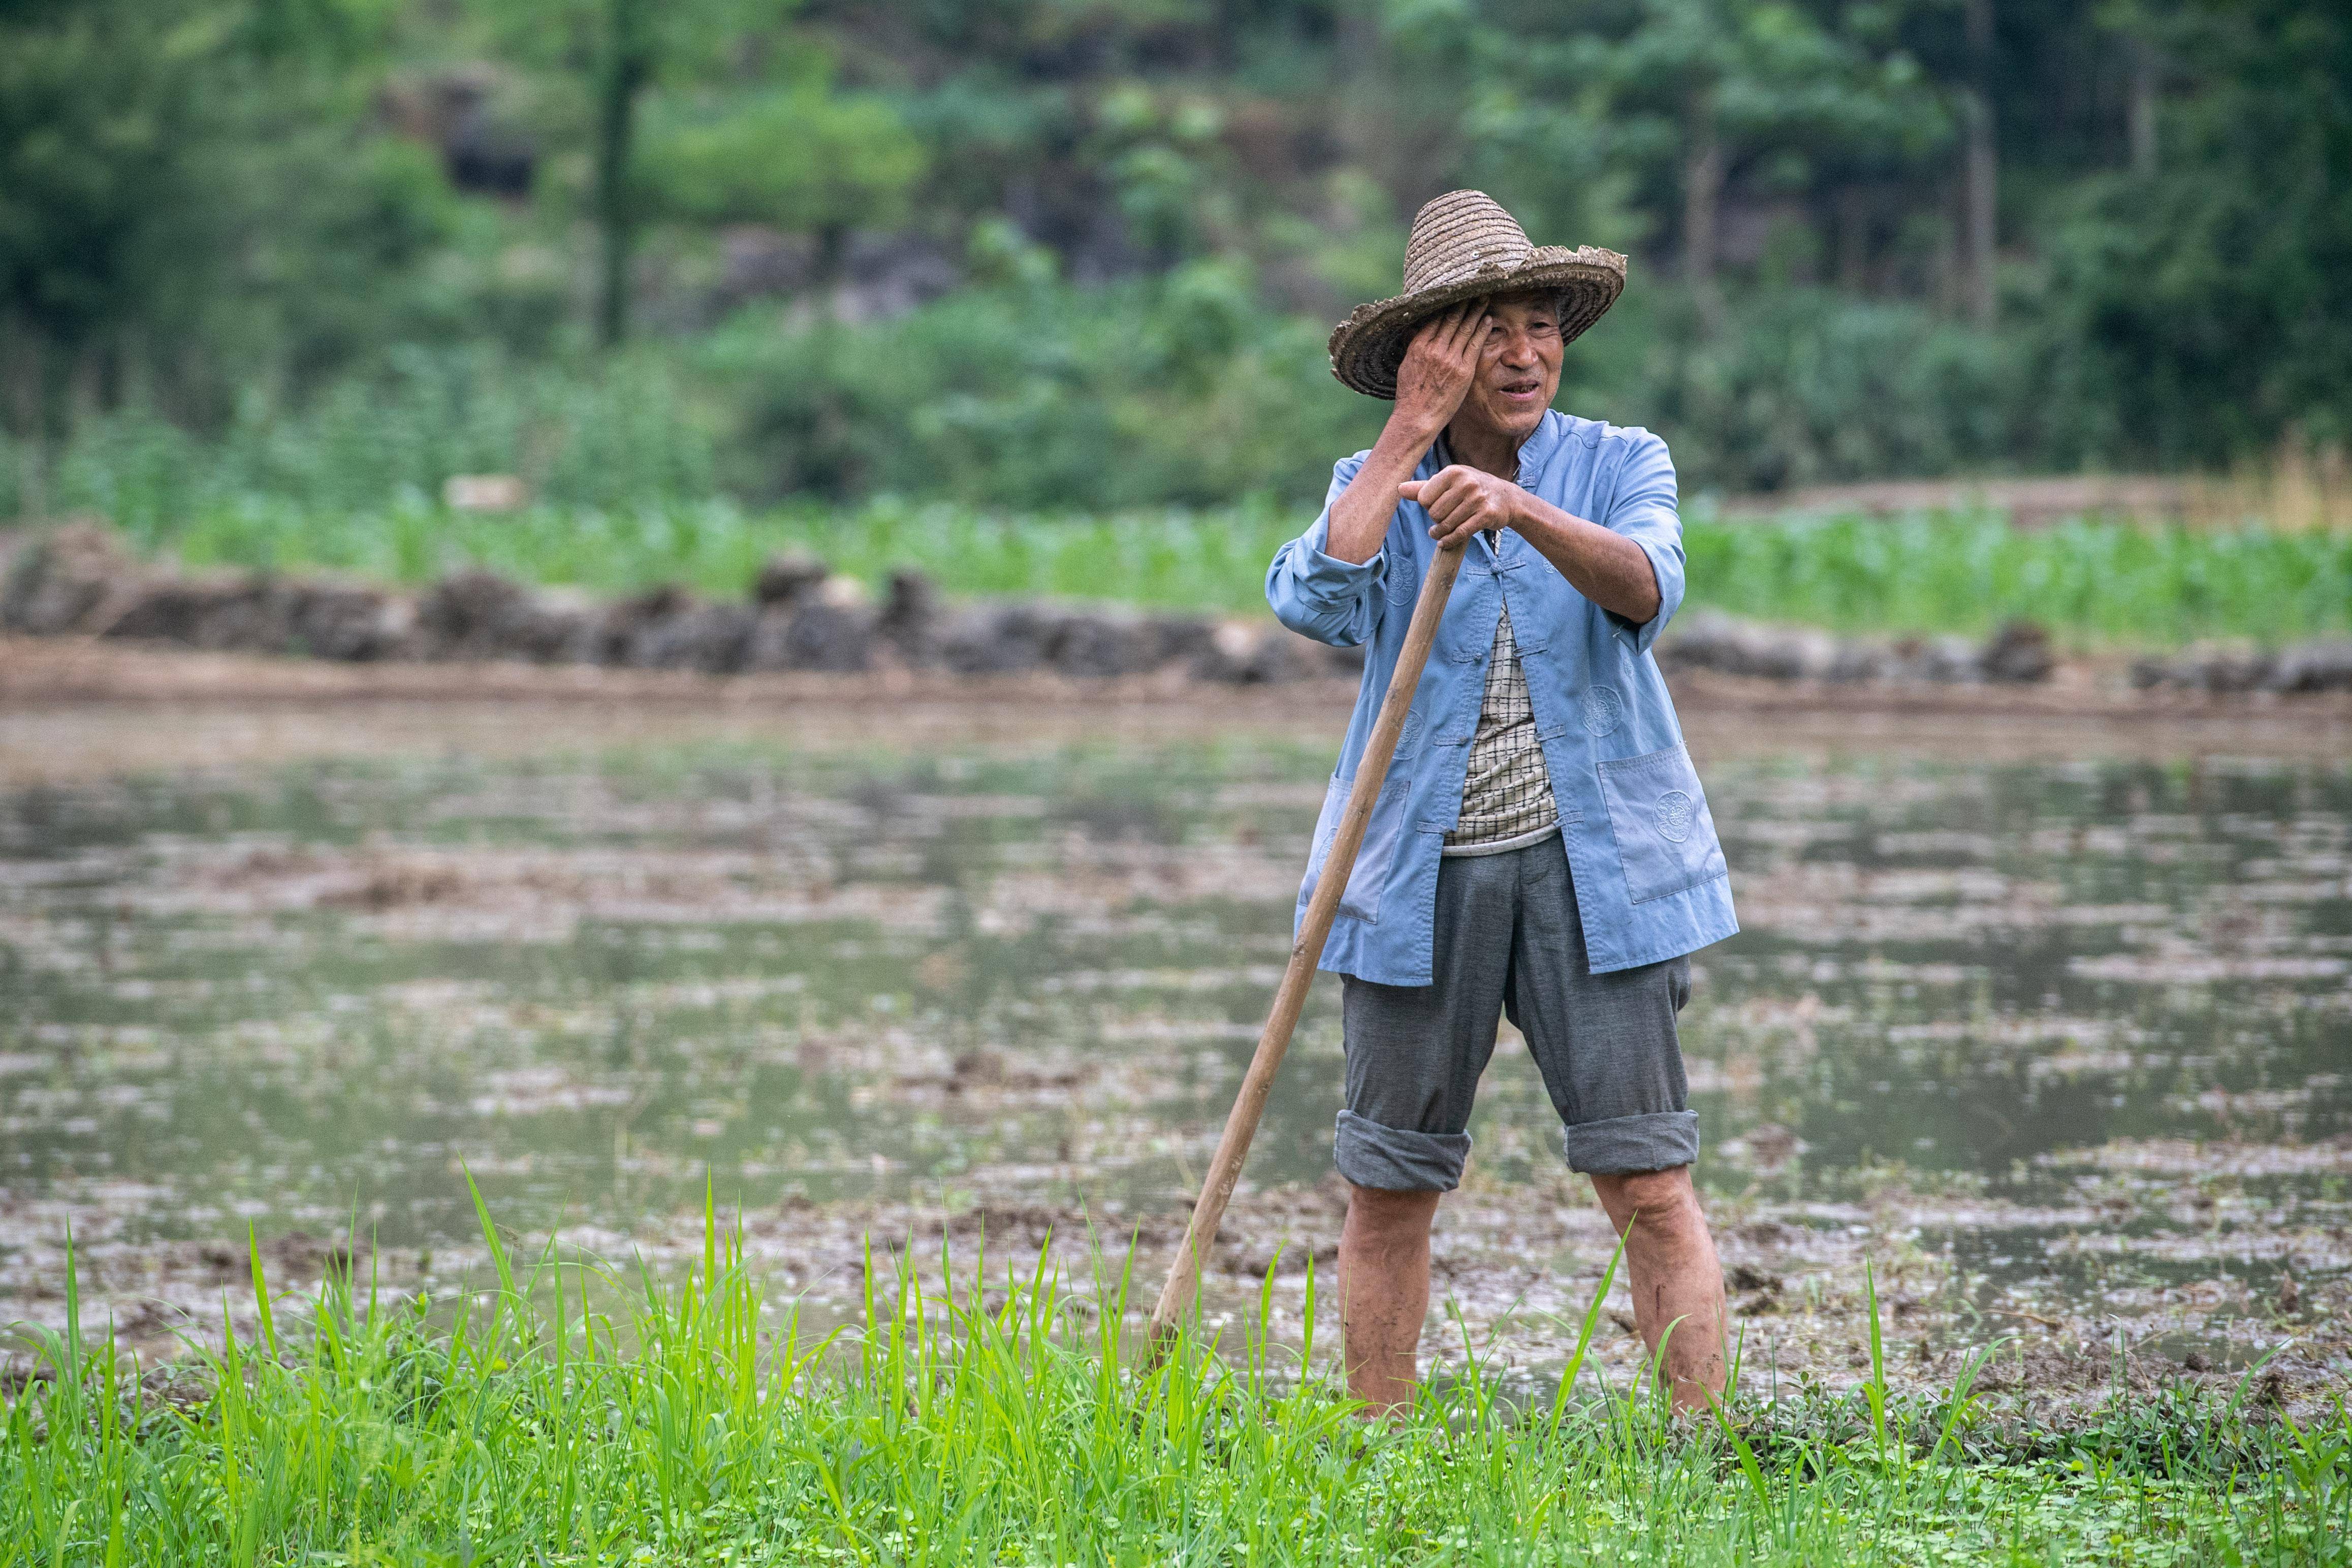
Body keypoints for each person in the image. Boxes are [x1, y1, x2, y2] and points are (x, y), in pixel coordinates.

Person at [1266, 190, 1738, 1417]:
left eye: (1541, 326)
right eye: (1489, 335)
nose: (1523, 354)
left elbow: (1646, 589)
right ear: (1434, 356)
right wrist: (1405, 438)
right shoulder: (1376, 483)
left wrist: (1518, 508)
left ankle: (1697, 1446)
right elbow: (1309, 598)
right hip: (1413, 884)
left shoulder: (1621, 461)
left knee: (1646, 1178)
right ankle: (1382, 1447)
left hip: (1600, 877)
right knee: (1389, 1183)